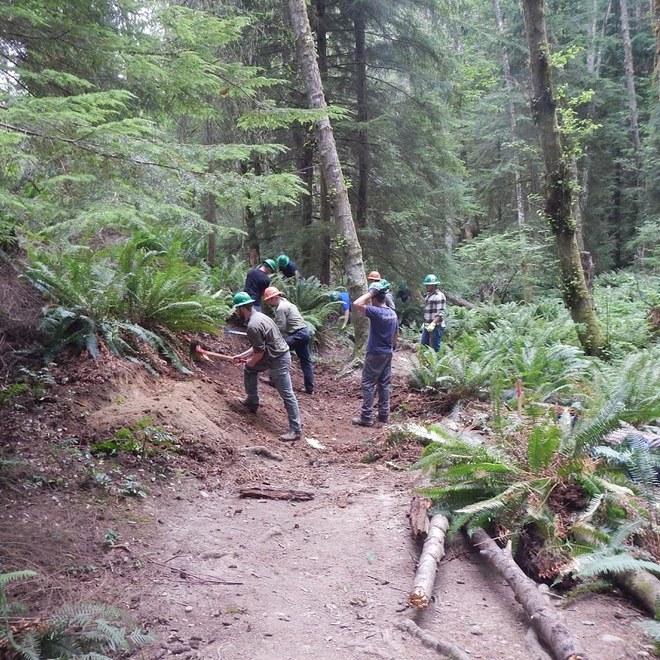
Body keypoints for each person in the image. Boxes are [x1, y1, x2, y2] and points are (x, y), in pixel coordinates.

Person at [230, 291, 302, 441]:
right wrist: (242, 356)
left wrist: (250, 361)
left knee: (287, 394)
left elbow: (259, 352)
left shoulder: (252, 325)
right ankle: (252, 401)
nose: (236, 311)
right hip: (274, 355)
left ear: (242, 309)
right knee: (249, 369)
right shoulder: (261, 317)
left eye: (237, 309)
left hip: (279, 359)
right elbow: (258, 346)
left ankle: (295, 430)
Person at [351, 281, 398, 427]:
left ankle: (367, 417)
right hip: (387, 352)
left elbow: (357, 303)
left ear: (375, 297)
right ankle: (384, 415)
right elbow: (396, 334)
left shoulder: (376, 312)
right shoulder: (392, 313)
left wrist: (371, 292)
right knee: (384, 384)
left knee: (368, 383)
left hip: (375, 353)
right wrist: (392, 347)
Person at [262, 286, 314, 395]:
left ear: (273, 298)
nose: (268, 303)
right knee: (305, 362)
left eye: (268, 300)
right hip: (304, 333)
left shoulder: (281, 308)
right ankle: (310, 389)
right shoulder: (286, 303)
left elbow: (280, 327)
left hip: (297, 334)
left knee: (276, 350)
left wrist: (269, 336)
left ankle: (274, 379)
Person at [420, 274, 446, 352]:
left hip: (436, 327)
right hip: (427, 326)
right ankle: (425, 363)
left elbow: (440, 313)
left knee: (435, 349)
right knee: (423, 346)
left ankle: (436, 363)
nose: (426, 287)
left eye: (428, 285)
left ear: (433, 285)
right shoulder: (429, 295)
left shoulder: (439, 296)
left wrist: (433, 324)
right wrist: (425, 323)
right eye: (426, 285)